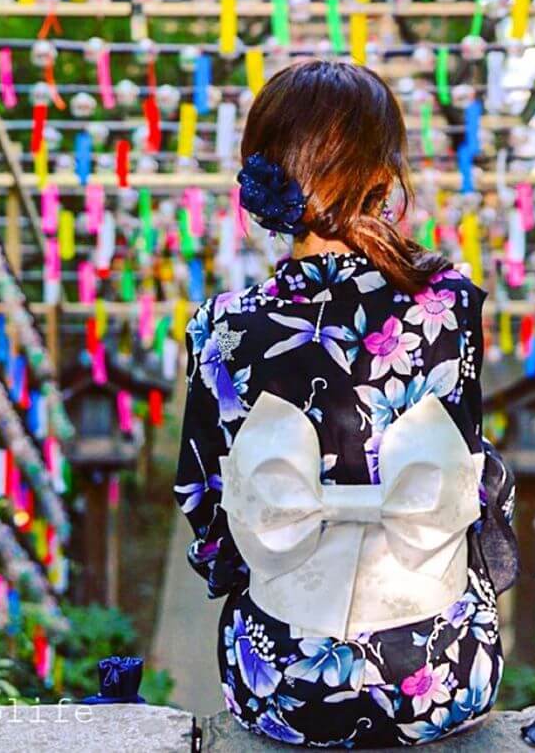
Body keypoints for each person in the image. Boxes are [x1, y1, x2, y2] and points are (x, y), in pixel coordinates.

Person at [175, 60, 517, 747]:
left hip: (280, 686)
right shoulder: (450, 305)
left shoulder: (224, 328)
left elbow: (206, 508)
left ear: (262, 175)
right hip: (441, 674)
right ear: (383, 175)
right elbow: (471, 478)